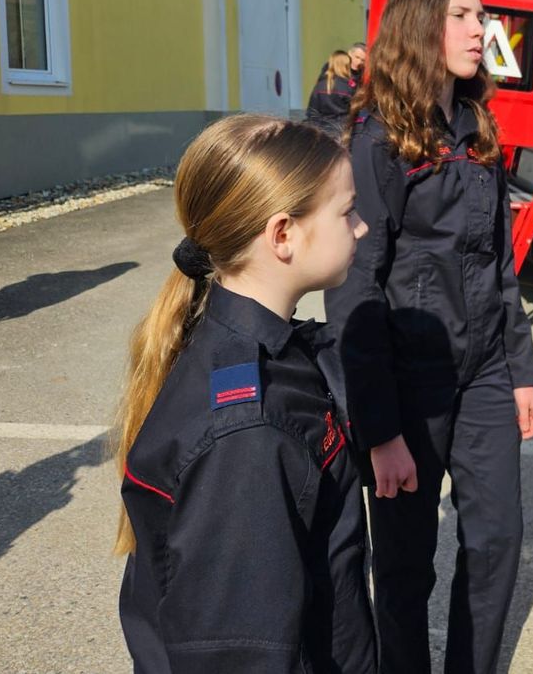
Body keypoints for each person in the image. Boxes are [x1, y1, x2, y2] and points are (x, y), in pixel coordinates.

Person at [324, 0, 533, 674]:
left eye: (481, 16)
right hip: (408, 385)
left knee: (498, 542)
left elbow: (499, 266)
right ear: (421, 26)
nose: (481, 29)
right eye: (463, 16)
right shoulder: (378, 138)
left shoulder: (477, 125)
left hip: (482, 372)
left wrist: (521, 372)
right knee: (405, 566)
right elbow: (355, 290)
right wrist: (381, 431)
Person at [115, 113, 375, 673]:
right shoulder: (249, 435)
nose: (362, 228)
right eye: (347, 210)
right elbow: (238, 655)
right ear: (282, 235)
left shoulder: (255, 352)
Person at [306, 49, 357, 137]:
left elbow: (312, 112)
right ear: (345, 66)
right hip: (342, 131)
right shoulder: (349, 87)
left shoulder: (319, 85)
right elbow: (355, 112)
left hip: (322, 132)